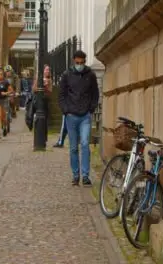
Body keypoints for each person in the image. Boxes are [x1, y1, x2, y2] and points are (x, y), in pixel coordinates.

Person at [59, 50, 99, 186]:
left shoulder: (91, 75)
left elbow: (95, 94)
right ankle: (76, 175)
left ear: (85, 61)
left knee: (85, 144)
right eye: (77, 63)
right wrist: (66, 110)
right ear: (73, 61)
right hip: (71, 116)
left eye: (82, 63)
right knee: (73, 148)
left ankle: (86, 175)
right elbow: (61, 95)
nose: (79, 65)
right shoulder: (67, 75)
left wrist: (91, 108)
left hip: (85, 116)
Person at [0, 68, 13, 139]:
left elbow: (11, 91)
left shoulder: (6, 82)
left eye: (1, 74)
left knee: (4, 118)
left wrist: (6, 93)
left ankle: (4, 127)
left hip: (5, 100)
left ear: (3, 75)